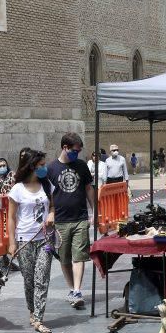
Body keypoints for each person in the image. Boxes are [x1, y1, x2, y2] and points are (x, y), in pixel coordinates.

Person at [7, 149, 54, 333]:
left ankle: (39, 318)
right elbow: (10, 218)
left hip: (45, 239)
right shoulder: (17, 189)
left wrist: (51, 214)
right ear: (32, 166)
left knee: (42, 278)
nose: (45, 168)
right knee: (29, 280)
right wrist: (12, 243)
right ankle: (32, 311)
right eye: (41, 165)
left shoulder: (47, 185)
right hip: (25, 239)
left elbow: (53, 206)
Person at [47, 132, 94, 309]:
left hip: (80, 219)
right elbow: (47, 196)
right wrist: (49, 215)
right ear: (65, 148)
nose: (77, 154)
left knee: (79, 256)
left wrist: (94, 211)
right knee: (64, 258)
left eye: (79, 151)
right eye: (75, 151)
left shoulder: (81, 166)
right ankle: (71, 289)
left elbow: (89, 188)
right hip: (60, 221)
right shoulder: (51, 169)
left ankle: (77, 290)